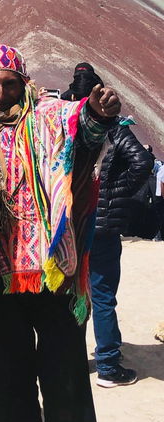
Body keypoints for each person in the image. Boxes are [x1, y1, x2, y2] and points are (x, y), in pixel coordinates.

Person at [0, 44, 121, 422]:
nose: (0, 92)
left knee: (63, 372)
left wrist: (97, 117)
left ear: (24, 83)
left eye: (10, 83)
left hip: (54, 272)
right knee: (10, 375)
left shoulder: (49, 115)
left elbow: (83, 135)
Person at [89, 118, 153, 387]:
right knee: (103, 295)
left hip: (69, 223)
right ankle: (108, 365)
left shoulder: (65, 122)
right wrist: (118, 191)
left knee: (73, 294)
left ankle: (66, 359)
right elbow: (142, 162)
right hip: (103, 226)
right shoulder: (113, 128)